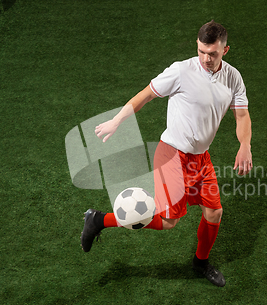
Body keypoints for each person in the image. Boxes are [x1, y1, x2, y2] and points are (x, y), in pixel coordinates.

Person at [81, 20, 252, 287]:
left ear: (225, 51)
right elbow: (145, 96)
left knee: (214, 213)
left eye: (213, 54)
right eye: (202, 52)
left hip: (201, 159)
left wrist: (245, 145)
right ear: (197, 46)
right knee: (169, 221)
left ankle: (200, 262)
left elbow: (242, 115)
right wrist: (116, 121)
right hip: (172, 154)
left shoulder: (233, 77)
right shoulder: (181, 71)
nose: (206, 59)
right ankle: (100, 220)